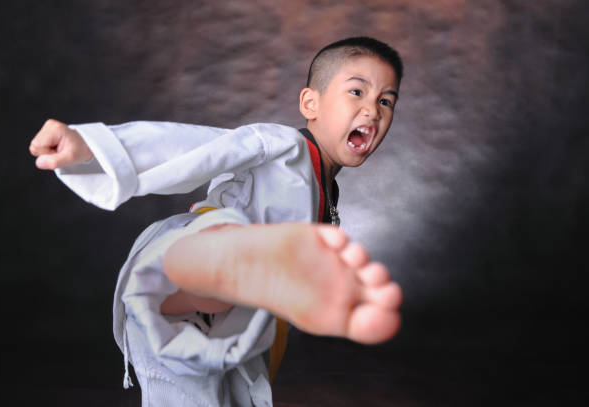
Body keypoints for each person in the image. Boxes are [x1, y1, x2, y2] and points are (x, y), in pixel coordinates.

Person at [29, 37, 404, 406]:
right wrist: (93, 148)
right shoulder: (281, 145)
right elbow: (193, 147)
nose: (373, 109)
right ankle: (219, 267)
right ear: (311, 103)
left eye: (386, 100)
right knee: (224, 243)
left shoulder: (327, 195)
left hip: (213, 328)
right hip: (193, 252)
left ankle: (243, 283)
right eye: (357, 92)